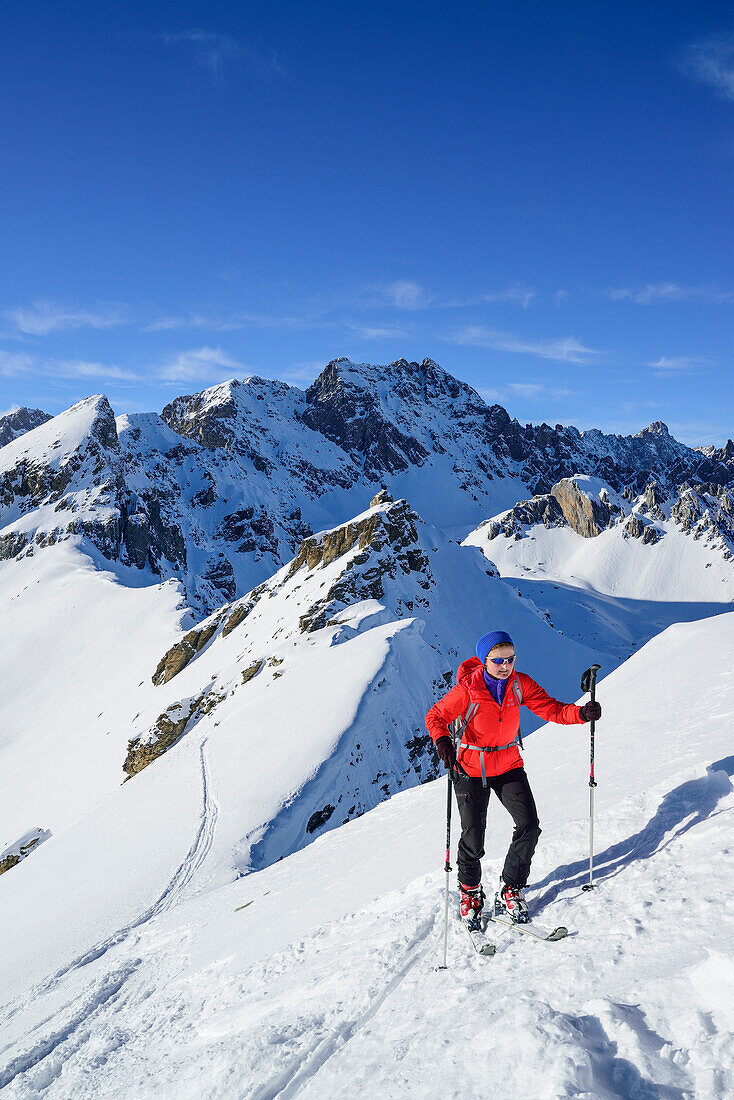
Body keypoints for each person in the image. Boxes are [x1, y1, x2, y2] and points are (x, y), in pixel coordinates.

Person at [425, 630, 601, 927]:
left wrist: (582, 713)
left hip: (508, 763)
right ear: (484, 661)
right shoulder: (468, 689)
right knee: (473, 836)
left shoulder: (521, 684)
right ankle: (470, 892)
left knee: (529, 826)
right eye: (498, 660)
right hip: (471, 767)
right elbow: (435, 716)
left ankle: (511, 888)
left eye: (510, 659)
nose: (505, 665)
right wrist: (442, 741)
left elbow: (551, 708)